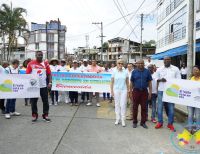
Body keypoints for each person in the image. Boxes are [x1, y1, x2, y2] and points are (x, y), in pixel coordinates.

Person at [155, 57, 181, 131]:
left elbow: (179, 79)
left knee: (171, 108)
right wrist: (160, 80)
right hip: (161, 90)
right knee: (160, 107)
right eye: (165, 60)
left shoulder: (175, 69)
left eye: (168, 59)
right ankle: (160, 122)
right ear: (163, 61)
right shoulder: (159, 69)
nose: (166, 61)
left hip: (171, 91)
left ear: (170, 60)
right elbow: (156, 79)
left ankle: (170, 124)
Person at [26, 51, 52, 122]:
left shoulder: (46, 64)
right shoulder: (30, 64)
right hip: (34, 87)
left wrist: (50, 82)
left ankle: (45, 115)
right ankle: (34, 115)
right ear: (35, 55)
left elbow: (49, 74)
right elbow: (27, 75)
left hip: (43, 86)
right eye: (38, 55)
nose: (40, 56)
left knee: (45, 101)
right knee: (33, 102)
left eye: (41, 55)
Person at [130, 60, 152, 129]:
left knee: (144, 108)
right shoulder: (134, 72)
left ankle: (143, 122)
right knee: (135, 107)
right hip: (136, 91)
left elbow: (149, 83)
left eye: (142, 63)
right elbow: (131, 83)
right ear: (137, 64)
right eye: (139, 63)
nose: (140, 64)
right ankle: (135, 122)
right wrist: (130, 92)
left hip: (144, 92)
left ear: (144, 64)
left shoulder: (147, 71)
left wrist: (150, 92)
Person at [111, 59, 129, 127]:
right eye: (119, 63)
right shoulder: (114, 71)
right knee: (117, 104)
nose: (120, 64)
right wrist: (112, 91)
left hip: (124, 90)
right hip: (116, 90)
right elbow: (112, 82)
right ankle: (117, 119)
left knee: (123, 104)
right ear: (117, 64)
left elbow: (127, 82)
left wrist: (128, 91)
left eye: (121, 63)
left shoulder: (125, 71)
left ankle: (123, 119)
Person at [187, 65, 200, 130]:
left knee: (197, 116)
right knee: (190, 115)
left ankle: (198, 129)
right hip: (190, 101)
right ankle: (190, 128)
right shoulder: (191, 78)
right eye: (194, 70)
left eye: (196, 70)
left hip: (198, 101)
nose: (195, 71)